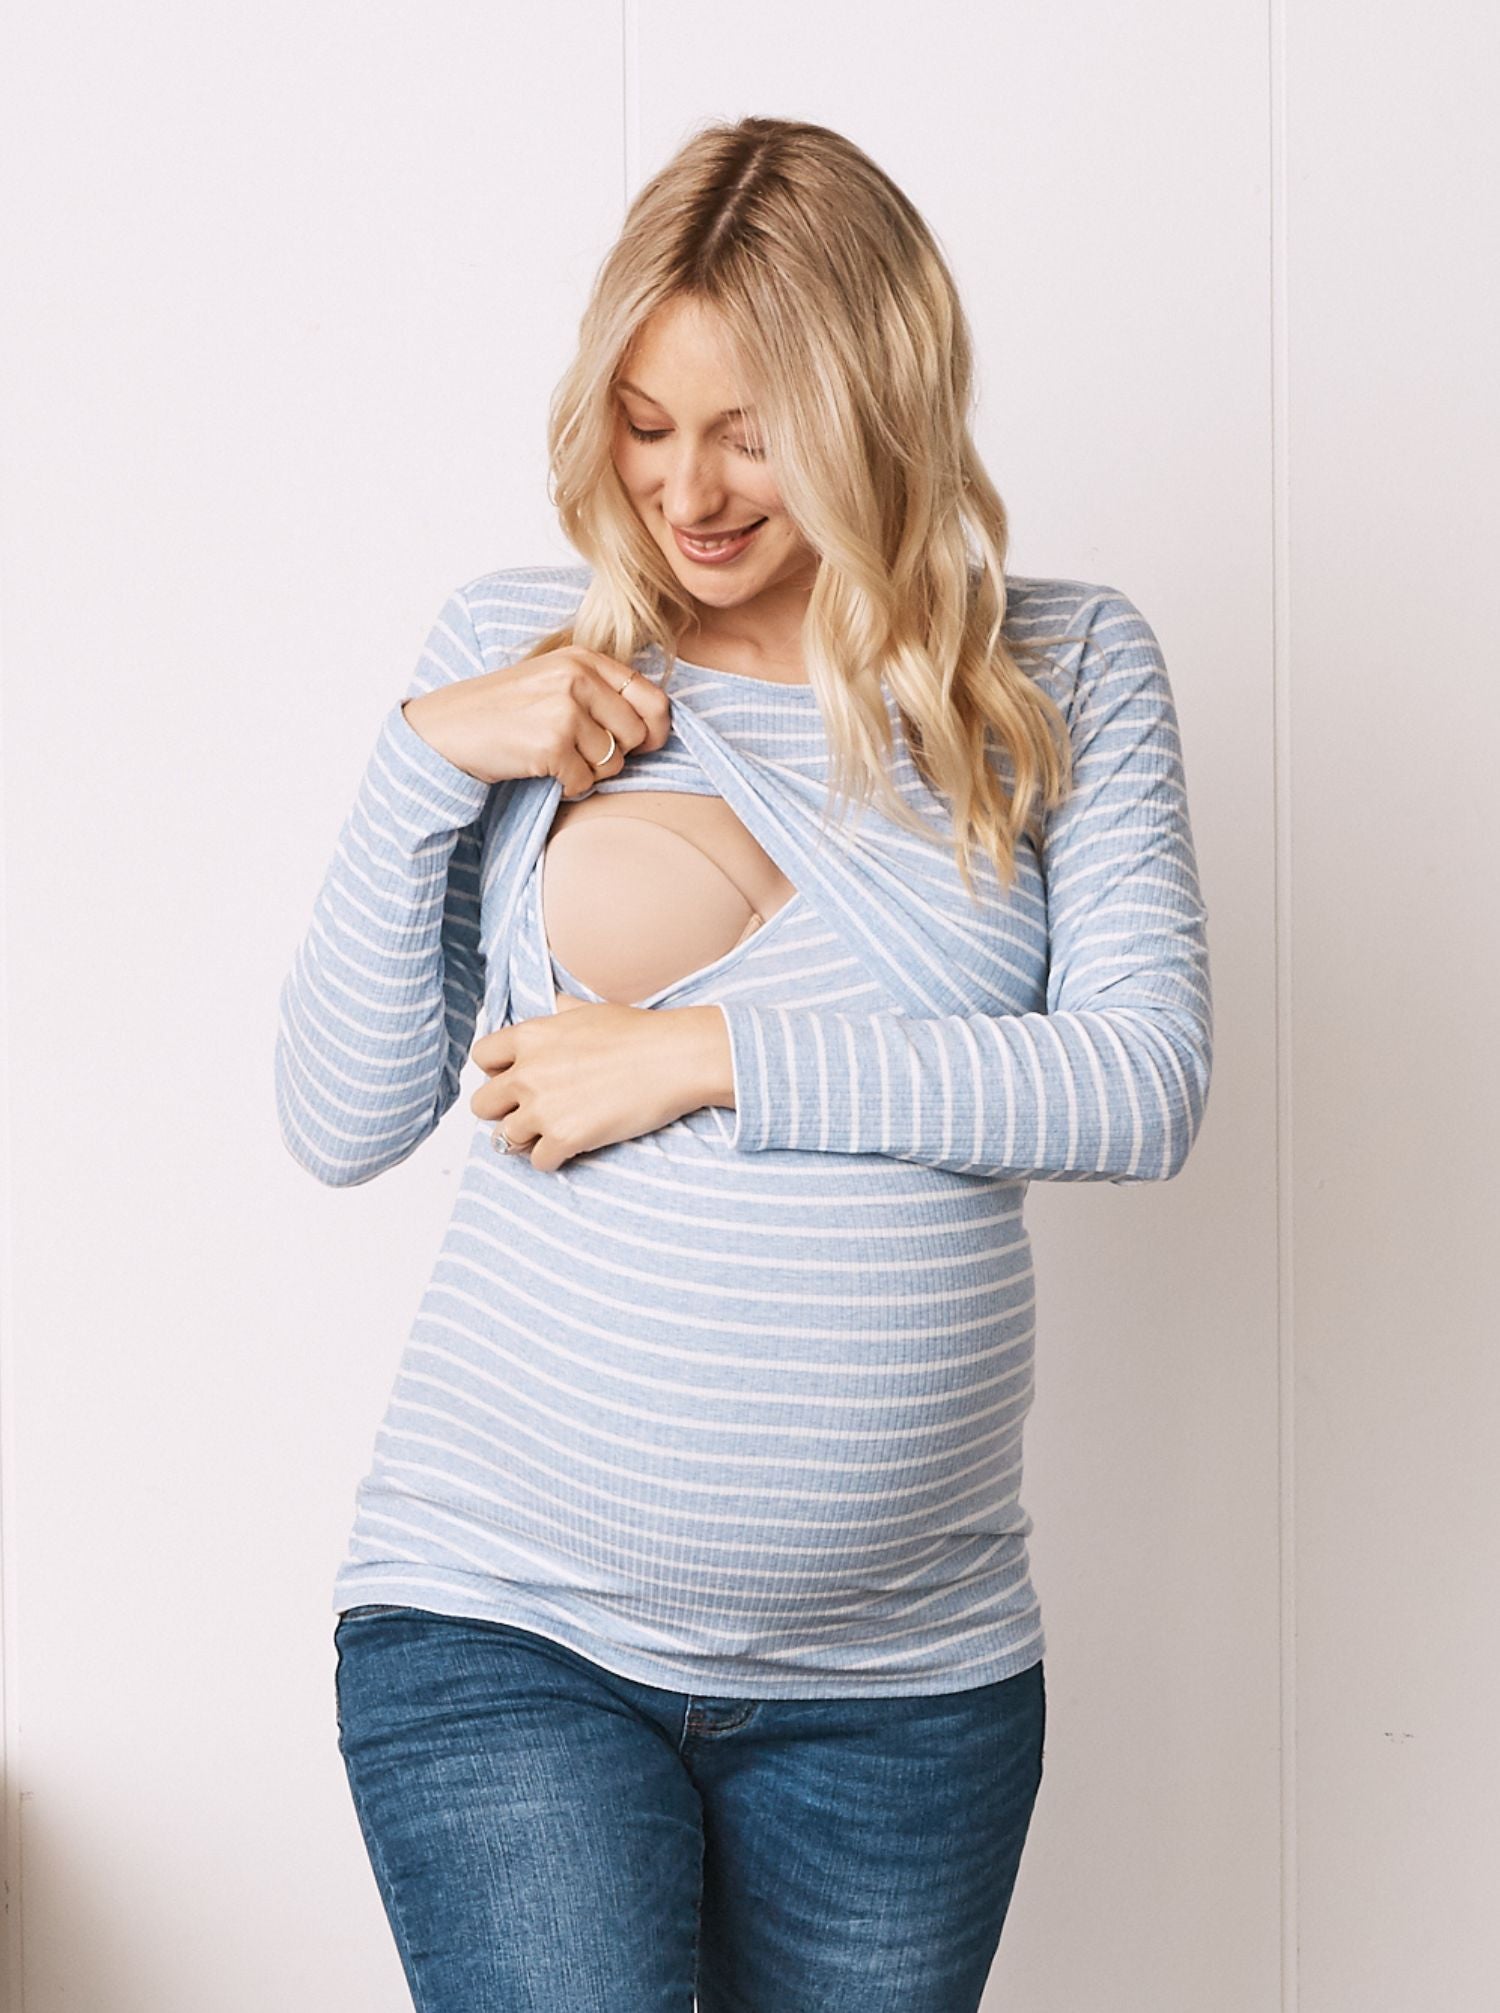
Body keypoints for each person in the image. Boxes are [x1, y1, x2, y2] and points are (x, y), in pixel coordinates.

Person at [275, 114, 1213, 2013]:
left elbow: (1139, 1079)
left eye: (749, 424)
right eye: (643, 421)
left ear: (880, 402)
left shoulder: (1062, 674)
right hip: (510, 1624)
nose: (685, 488)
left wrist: (707, 1055)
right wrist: (420, 756)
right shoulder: (532, 660)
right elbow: (337, 1119)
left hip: (907, 1684)